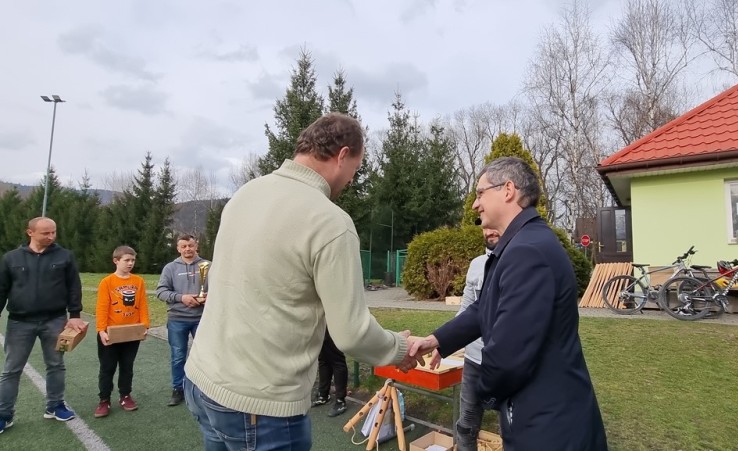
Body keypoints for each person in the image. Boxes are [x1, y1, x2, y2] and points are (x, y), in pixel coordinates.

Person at [183, 112, 423, 450]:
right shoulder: (330, 222)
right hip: (260, 404)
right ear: (342, 155)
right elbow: (351, 333)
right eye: (355, 169)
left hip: (202, 380)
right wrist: (397, 348)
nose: (351, 180)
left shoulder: (246, 193)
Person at [410, 157, 608, 450]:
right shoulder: (520, 244)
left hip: (550, 428)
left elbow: (508, 357)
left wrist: (483, 392)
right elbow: (484, 308)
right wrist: (436, 341)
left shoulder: (527, 251)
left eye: (480, 193)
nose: (475, 205)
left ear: (508, 190)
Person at [0, 217, 87, 433]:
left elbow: (73, 286)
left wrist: (75, 314)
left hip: (55, 320)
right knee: (11, 370)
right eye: (45, 233)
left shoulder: (65, 256)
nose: (51, 236)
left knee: (56, 365)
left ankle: (55, 406)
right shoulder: (11, 258)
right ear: (30, 232)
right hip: (19, 322)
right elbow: (2, 289)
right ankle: (4, 415)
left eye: (53, 232)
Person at [430, 227, 500, 451]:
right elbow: (466, 311)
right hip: (473, 360)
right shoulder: (477, 264)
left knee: (511, 427)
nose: (489, 231)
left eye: (494, 226)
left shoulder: (518, 264)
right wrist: (443, 343)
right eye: (485, 227)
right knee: (466, 426)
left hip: (504, 363)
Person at [94, 245, 150, 418]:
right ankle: (104, 399)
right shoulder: (107, 282)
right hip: (111, 333)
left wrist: (144, 326)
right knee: (107, 367)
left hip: (131, 333)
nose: (130, 263)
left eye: (133, 260)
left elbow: (142, 305)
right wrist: (101, 330)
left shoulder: (138, 281)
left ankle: (125, 395)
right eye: (127, 260)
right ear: (116, 261)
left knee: (127, 366)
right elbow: (102, 307)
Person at [156, 234, 208, 407]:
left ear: (196, 246)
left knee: (204, 355)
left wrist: (209, 297)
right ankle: (178, 388)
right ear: (178, 248)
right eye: (184, 246)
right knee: (178, 356)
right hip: (177, 319)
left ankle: (204, 389)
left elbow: (221, 288)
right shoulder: (170, 268)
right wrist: (181, 298)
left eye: (190, 245)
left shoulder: (208, 266)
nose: (187, 249)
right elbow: (161, 292)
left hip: (202, 319)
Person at [311, 328, 349, 417]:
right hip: (319, 325)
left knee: (337, 359)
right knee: (323, 359)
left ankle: (340, 401)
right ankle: (323, 395)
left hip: (332, 324)